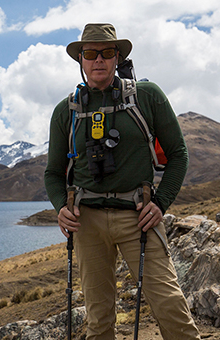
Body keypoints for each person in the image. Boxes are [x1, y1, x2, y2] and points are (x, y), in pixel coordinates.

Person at [44, 23, 201, 339]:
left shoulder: (147, 96)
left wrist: (161, 203)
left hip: (139, 217)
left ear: (117, 57)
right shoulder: (67, 111)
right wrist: (61, 206)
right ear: (81, 60)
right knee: (98, 320)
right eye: (90, 53)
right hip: (86, 221)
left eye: (106, 53)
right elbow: (52, 173)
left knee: (170, 307)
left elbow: (178, 154)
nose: (98, 60)